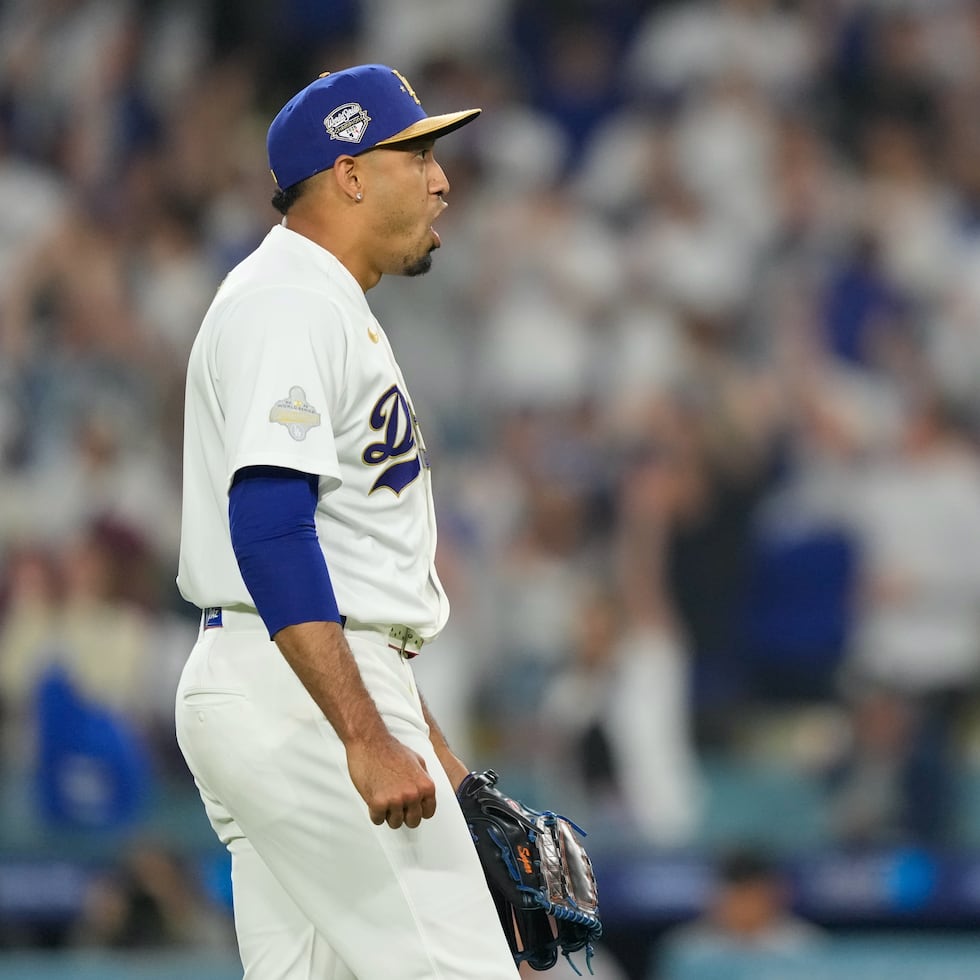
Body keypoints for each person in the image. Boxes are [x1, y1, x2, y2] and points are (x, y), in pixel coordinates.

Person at [174, 64, 520, 979]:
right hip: (299, 694)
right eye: (418, 153)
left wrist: (431, 747)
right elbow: (272, 527)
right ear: (352, 173)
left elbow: (360, 575)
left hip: (295, 680)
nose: (442, 179)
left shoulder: (322, 302)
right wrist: (364, 735)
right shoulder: (289, 300)